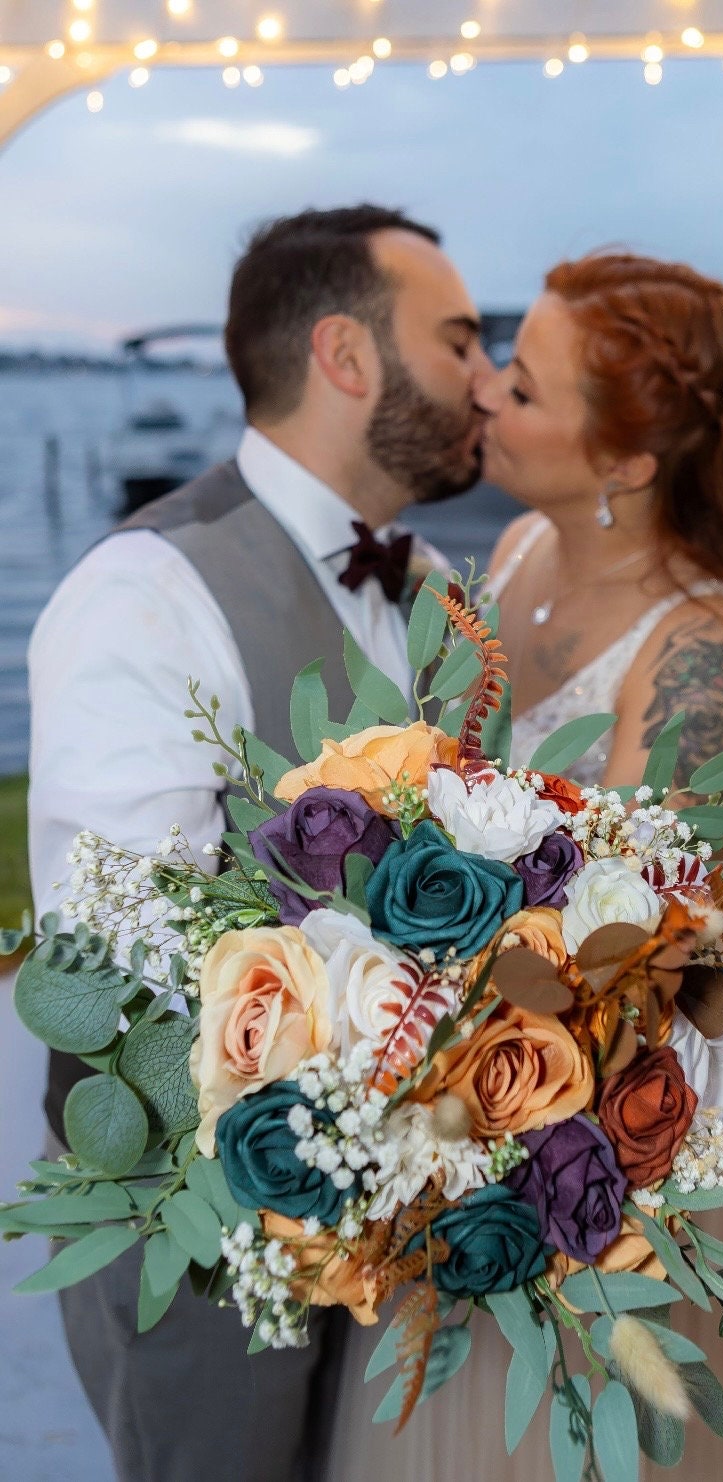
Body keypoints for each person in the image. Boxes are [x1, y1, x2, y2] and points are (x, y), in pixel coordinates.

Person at [328, 253, 723, 1479]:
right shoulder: (519, 563)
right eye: (500, 360)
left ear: (628, 462)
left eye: (526, 389)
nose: (485, 393)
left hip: (627, 1161)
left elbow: (634, 952)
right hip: (481, 1107)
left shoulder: (707, 645)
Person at [27, 203, 492, 1482]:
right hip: (212, 1258)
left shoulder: (442, 595)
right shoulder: (147, 592)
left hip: (423, 1241)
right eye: (456, 342)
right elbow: (120, 957)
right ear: (347, 358)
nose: (484, 380)